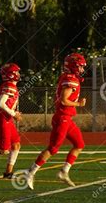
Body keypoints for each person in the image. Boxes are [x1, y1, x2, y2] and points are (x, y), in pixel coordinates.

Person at [25, 53, 87, 189]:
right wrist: (79, 104)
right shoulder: (71, 79)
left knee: (79, 144)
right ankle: (30, 172)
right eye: (80, 67)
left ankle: (64, 172)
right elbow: (64, 100)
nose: (82, 70)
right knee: (53, 148)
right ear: (74, 66)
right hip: (62, 118)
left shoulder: (70, 78)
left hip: (67, 118)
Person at [0, 63, 22, 179]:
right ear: (12, 74)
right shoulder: (9, 85)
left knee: (16, 145)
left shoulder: (11, 85)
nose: (18, 74)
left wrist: (13, 113)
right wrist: (13, 113)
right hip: (3, 119)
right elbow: (0, 103)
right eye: (16, 72)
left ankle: (8, 172)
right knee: (3, 151)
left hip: (7, 119)